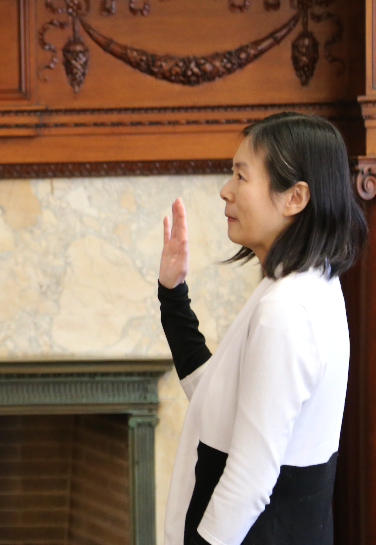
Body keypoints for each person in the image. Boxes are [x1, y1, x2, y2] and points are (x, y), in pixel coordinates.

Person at [157, 112, 367, 545]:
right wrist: (172, 294)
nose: (225, 190)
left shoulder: (288, 309)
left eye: (240, 175)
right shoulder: (303, 284)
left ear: (295, 197)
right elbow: (215, 398)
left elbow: (249, 480)